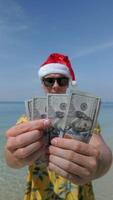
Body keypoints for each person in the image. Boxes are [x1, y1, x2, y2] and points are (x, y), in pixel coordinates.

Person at [5, 53, 112, 200]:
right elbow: (10, 159)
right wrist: (16, 156)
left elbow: (101, 149)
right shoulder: (27, 120)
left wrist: (97, 166)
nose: (55, 86)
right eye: (49, 81)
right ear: (42, 84)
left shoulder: (82, 117)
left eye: (61, 80)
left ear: (68, 84)